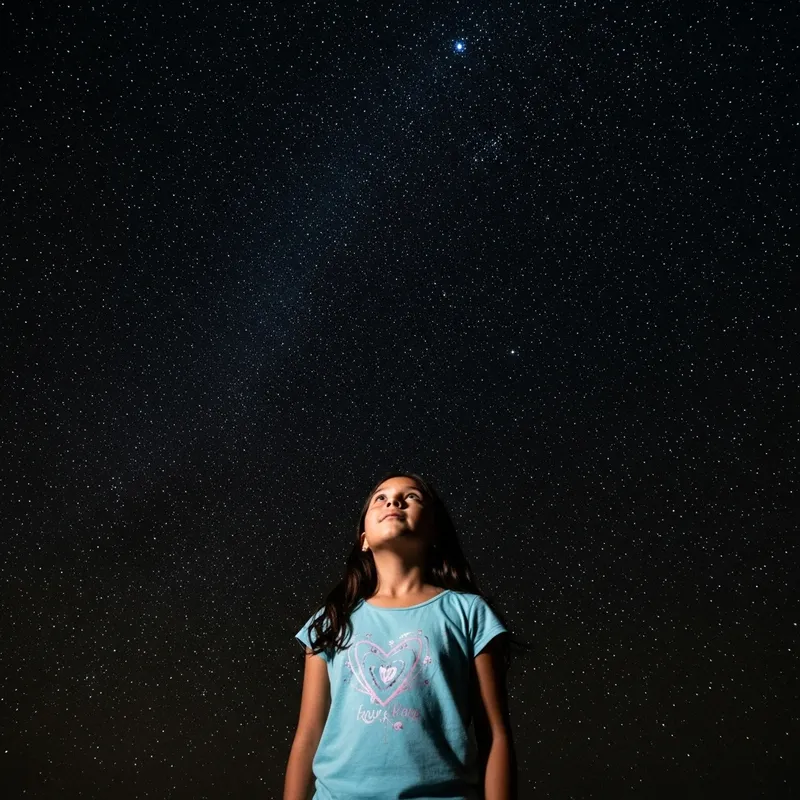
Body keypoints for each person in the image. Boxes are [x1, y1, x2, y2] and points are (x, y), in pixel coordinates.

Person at [283, 471, 529, 800]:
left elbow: (495, 735)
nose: (394, 501)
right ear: (364, 540)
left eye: (411, 497)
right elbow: (308, 735)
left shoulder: (469, 613)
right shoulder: (331, 621)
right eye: (380, 498)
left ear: (434, 530)